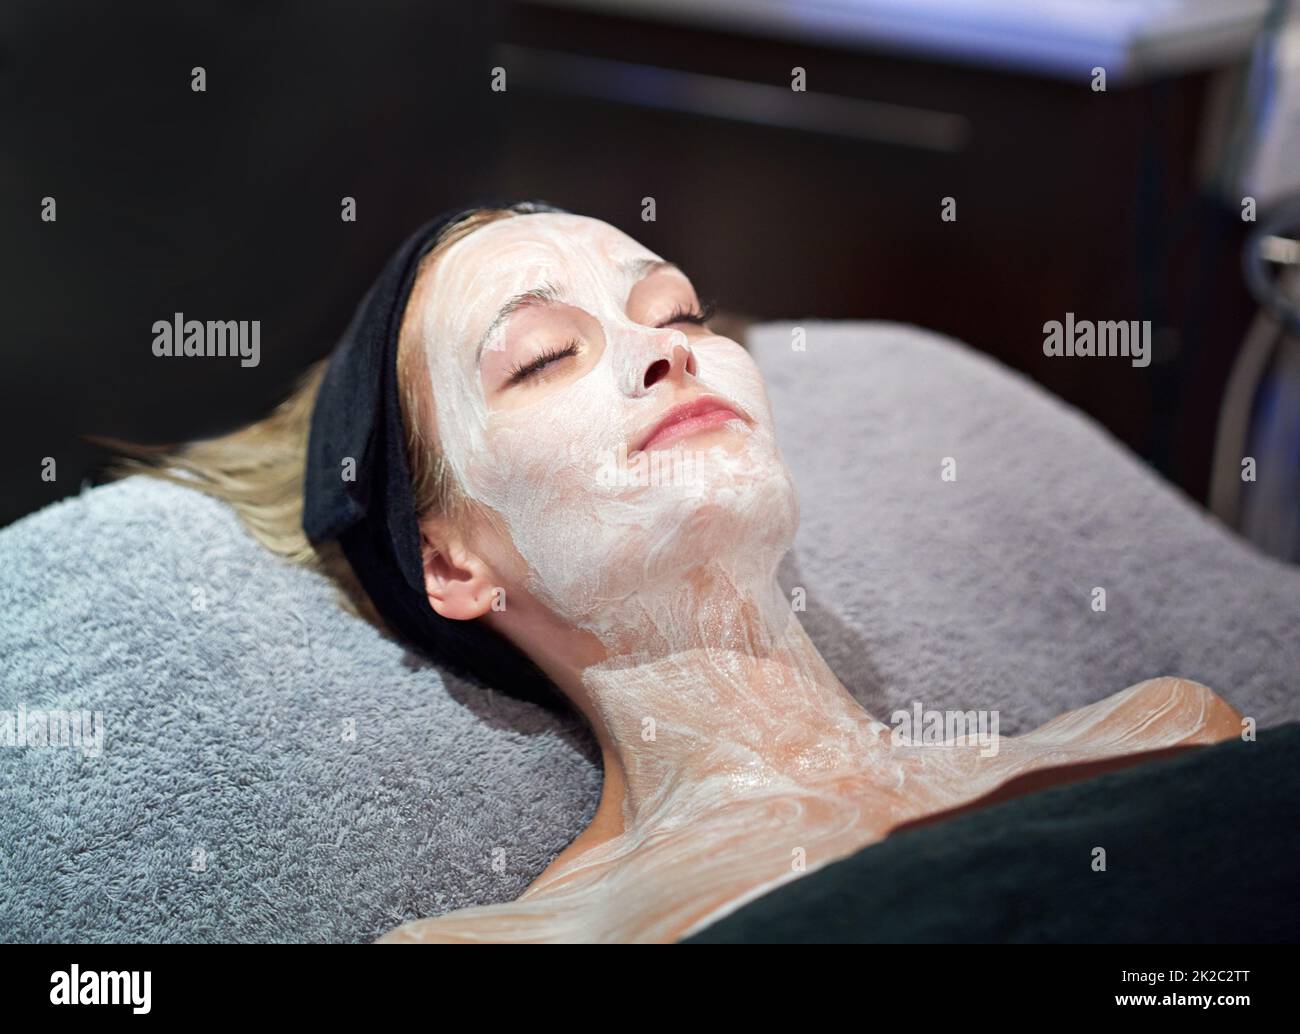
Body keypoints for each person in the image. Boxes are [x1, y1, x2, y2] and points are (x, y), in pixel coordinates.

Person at [114, 201, 1245, 943]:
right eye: (545, 355)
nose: (669, 347)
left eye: (676, 311)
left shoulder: (1159, 734)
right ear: (450, 562)